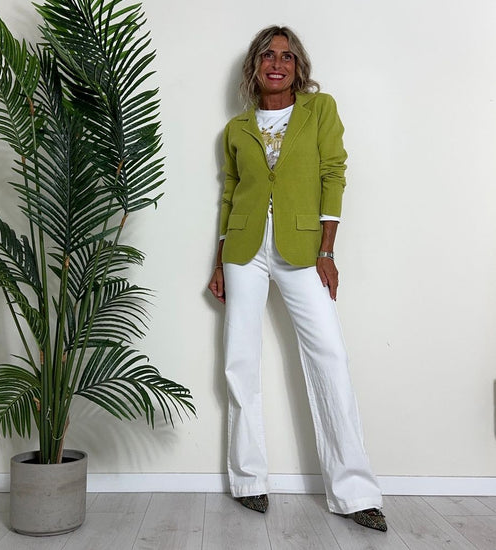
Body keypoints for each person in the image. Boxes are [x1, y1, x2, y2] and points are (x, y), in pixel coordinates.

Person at [207, 26, 387, 532]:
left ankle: (354, 491)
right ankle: (248, 480)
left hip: (303, 247)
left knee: (329, 355)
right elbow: (230, 194)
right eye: (268, 55)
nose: (277, 63)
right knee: (240, 359)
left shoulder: (319, 110)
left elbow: (334, 173)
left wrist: (327, 249)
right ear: (255, 66)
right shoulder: (236, 128)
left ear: (298, 67)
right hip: (244, 250)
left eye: (287, 56)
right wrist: (219, 261)